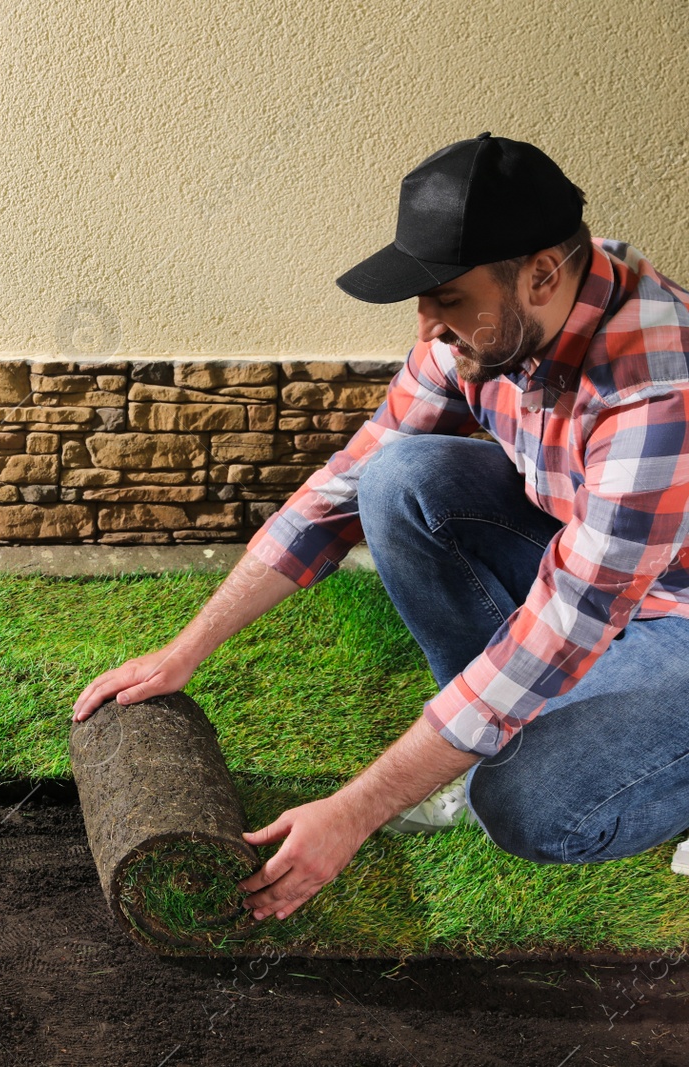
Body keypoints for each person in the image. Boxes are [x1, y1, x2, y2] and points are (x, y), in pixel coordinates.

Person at [71, 132, 689, 923]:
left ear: (540, 274)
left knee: (530, 805)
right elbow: (346, 484)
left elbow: (568, 622)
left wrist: (354, 812)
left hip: (669, 606)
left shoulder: (653, 392)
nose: (427, 324)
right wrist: (186, 646)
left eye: (449, 298)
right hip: (608, 569)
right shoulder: (501, 319)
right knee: (402, 480)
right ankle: (471, 744)